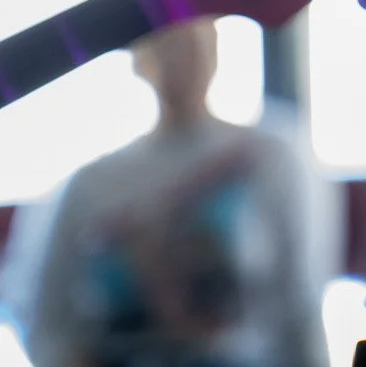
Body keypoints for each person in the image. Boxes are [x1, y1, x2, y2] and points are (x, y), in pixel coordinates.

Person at [12, 19, 325, 367]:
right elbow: (45, 318)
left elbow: (301, 305)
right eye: (165, 46)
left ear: (216, 48)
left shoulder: (271, 157)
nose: (179, 60)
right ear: (138, 59)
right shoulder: (91, 183)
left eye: (192, 43)